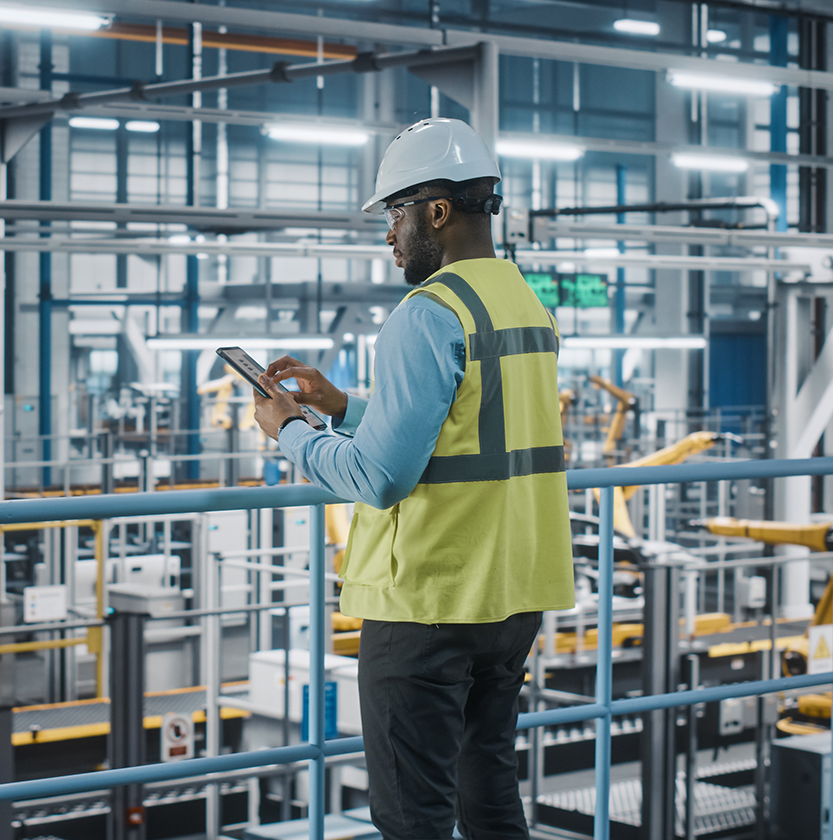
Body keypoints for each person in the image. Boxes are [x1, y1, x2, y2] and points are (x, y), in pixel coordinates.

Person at [250, 117, 575, 840]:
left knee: (411, 814)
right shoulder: (526, 304)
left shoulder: (424, 314)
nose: (389, 234)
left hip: (429, 598)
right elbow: (472, 428)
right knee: (486, 787)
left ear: (436, 211)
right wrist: (346, 405)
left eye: (395, 213)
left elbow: (380, 477)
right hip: (511, 593)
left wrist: (293, 432)